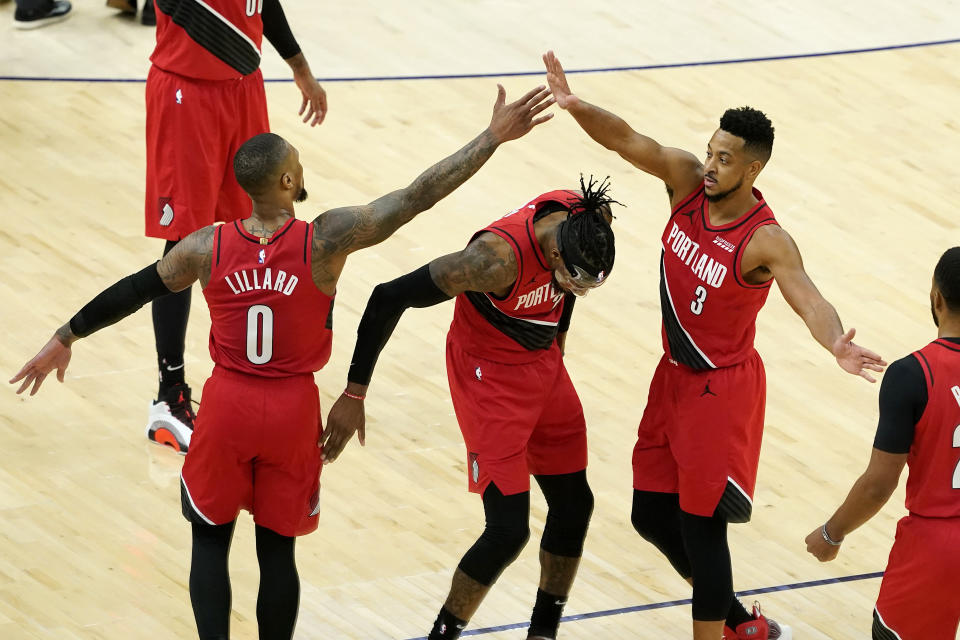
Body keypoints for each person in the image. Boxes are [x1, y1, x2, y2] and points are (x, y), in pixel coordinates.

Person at [9, 83, 554, 639]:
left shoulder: (205, 246)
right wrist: (491, 138)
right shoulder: (326, 239)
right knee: (277, 551)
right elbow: (416, 196)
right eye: (298, 161)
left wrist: (67, 334)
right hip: (292, 408)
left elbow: (136, 288)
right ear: (289, 182)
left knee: (208, 540)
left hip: (226, 406)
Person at [542, 50, 887, 640]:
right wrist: (576, 106)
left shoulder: (765, 240)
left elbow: (806, 295)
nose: (709, 165)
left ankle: (727, 633)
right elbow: (626, 140)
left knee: (703, 528)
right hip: (672, 376)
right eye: (709, 151)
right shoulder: (684, 183)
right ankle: (738, 620)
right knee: (650, 514)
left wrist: (836, 344)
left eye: (724, 159)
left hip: (719, 391)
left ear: (752, 170)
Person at [321, 177, 617, 640]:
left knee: (575, 504)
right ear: (557, 255)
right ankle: (443, 634)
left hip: (542, 364)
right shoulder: (492, 262)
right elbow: (387, 297)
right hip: (488, 377)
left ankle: (543, 633)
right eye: (573, 279)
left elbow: (568, 294)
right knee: (507, 532)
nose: (575, 291)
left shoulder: (589, 221)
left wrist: (558, 342)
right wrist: (354, 393)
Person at [144, 0, 328, 456]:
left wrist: (298, 65)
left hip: (243, 86)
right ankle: (169, 397)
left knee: (250, 227)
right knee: (185, 245)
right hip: (186, 92)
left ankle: (247, 373)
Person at [805, 247, 960, 640]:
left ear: (936, 298)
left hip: (937, 547)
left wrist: (831, 533)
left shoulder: (913, 374)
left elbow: (878, 484)